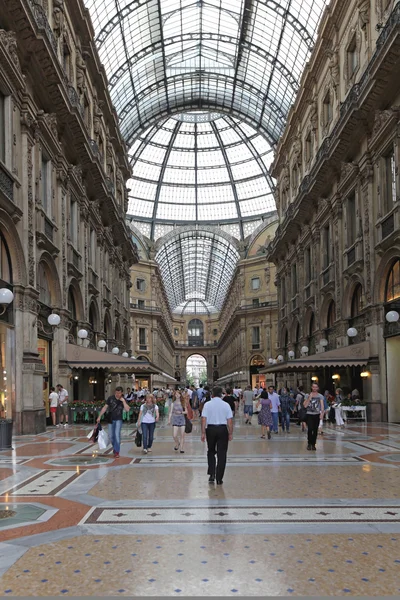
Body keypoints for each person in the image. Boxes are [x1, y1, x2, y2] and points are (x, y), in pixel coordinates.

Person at [201, 386, 233, 485]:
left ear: (212, 394)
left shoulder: (207, 404)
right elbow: (229, 421)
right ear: (221, 394)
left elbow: (203, 419)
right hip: (223, 429)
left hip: (210, 429)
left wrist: (203, 432)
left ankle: (212, 474)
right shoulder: (226, 405)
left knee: (211, 451)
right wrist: (230, 432)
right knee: (222, 454)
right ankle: (219, 478)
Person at [96, 386, 130, 458]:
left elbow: (127, 409)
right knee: (111, 436)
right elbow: (105, 407)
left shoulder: (123, 400)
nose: (117, 394)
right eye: (116, 393)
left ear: (121, 393)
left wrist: (123, 401)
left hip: (118, 419)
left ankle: (117, 451)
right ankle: (115, 447)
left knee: (117, 435)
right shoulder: (110, 398)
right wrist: (99, 416)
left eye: (119, 393)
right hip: (111, 419)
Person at [303, 383, 325, 451]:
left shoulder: (320, 396)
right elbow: (305, 405)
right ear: (311, 387)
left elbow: (322, 405)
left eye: (316, 387)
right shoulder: (307, 395)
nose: (314, 388)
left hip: (317, 414)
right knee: (310, 429)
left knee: (315, 430)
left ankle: (313, 444)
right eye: (313, 387)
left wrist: (322, 414)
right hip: (309, 414)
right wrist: (309, 398)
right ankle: (309, 443)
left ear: (318, 388)